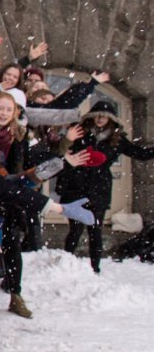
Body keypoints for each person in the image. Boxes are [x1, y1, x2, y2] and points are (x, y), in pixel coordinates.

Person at [58, 99, 154, 273]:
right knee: (75, 229)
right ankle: (65, 264)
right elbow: (60, 151)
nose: (101, 119)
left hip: (99, 188)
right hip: (77, 185)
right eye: (98, 115)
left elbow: (140, 154)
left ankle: (96, 268)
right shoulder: (79, 133)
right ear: (92, 117)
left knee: (95, 230)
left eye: (105, 116)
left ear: (111, 119)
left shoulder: (117, 139)